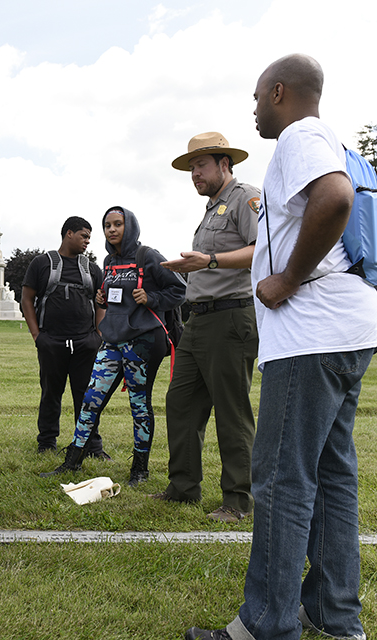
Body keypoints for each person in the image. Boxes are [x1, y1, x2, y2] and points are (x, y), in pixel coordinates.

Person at [185, 54, 377, 640]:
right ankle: (331, 610)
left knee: (279, 478)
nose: (253, 110)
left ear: (279, 92)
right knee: (330, 474)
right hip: (347, 330)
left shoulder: (301, 134)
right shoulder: (321, 137)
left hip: (312, 336)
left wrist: (288, 277)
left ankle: (267, 623)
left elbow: (334, 200)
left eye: (255, 98)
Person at [156, 133, 260, 524]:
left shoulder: (246, 198)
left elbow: (263, 248)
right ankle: (183, 488)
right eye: (191, 168)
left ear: (224, 164)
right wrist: (194, 266)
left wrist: (211, 260)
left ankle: (237, 500)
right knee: (180, 403)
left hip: (231, 318)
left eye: (200, 165)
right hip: (198, 320)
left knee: (232, 412)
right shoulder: (212, 208)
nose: (194, 174)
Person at [42, 207, 186, 486]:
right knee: (90, 399)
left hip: (144, 341)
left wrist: (152, 297)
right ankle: (72, 462)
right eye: (107, 225)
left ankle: (140, 471)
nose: (112, 229)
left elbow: (179, 289)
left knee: (139, 406)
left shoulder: (148, 256)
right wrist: (102, 298)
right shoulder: (109, 261)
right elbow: (115, 298)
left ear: (129, 225)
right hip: (112, 340)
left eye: (118, 224)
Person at [21, 217, 108, 457]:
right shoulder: (42, 264)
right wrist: (37, 335)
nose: (88, 241)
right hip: (51, 342)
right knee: (51, 393)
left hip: (85, 344)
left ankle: (92, 445)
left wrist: (98, 335)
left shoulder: (91, 268)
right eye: (84, 236)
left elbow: (101, 302)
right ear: (69, 233)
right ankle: (47, 443)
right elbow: (26, 299)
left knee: (87, 397)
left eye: (89, 237)